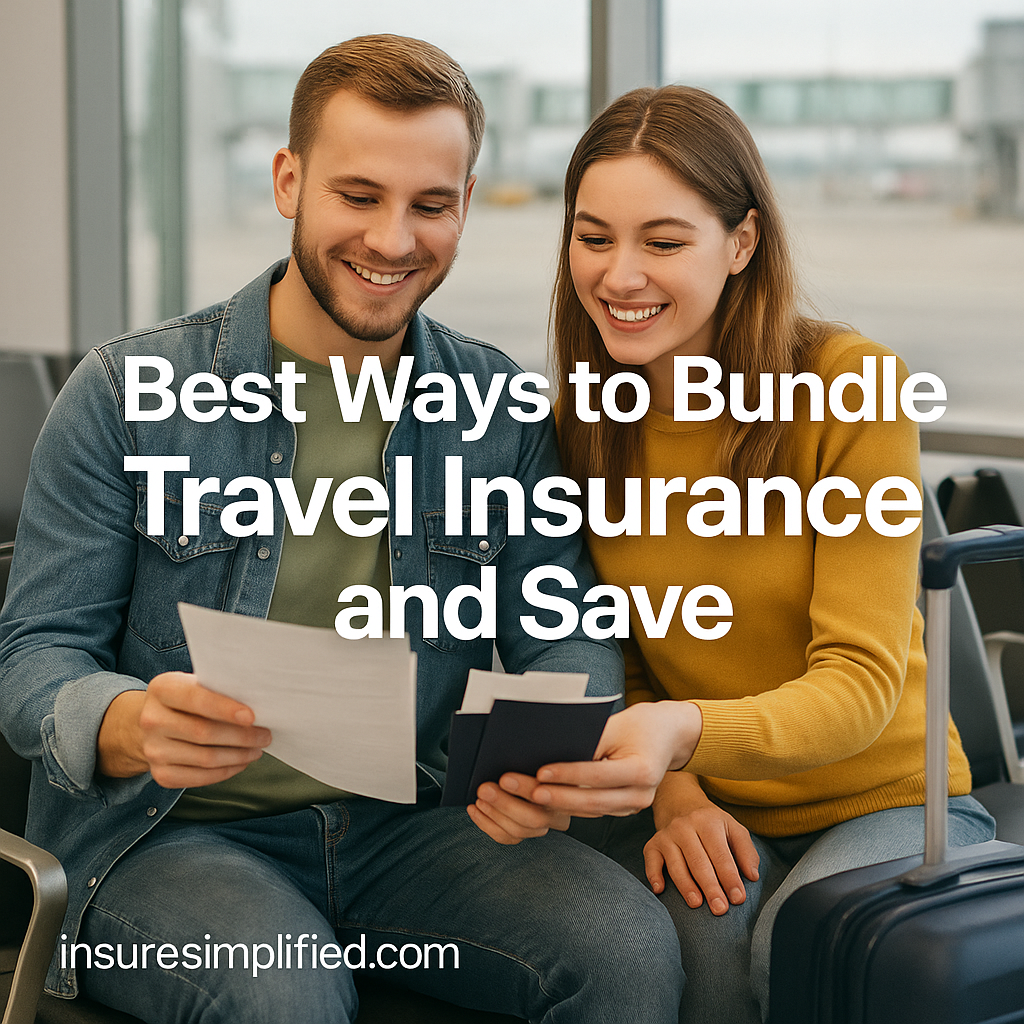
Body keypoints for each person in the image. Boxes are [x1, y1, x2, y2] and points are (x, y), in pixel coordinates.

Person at [0, 37, 684, 1024]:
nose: (394, 239)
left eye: (430, 205)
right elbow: (33, 656)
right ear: (290, 182)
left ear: (465, 203)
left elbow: (564, 624)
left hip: (402, 825)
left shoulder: (500, 410)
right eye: (358, 196)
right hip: (166, 838)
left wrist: (548, 748)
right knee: (285, 994)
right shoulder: (122, 396)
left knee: (624, 949)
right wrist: (126, 720)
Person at [485, 85, 997, 1024]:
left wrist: (685, 737)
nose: (620, 275)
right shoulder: (580, 425)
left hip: (881, 793)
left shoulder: (852, 386)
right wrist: (675, 792)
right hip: (706, 794)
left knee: (795, 949)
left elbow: (860, 682)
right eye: (594, 237)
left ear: (743, 243)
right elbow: (620, 657)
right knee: (702, 959)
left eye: (664, 242)